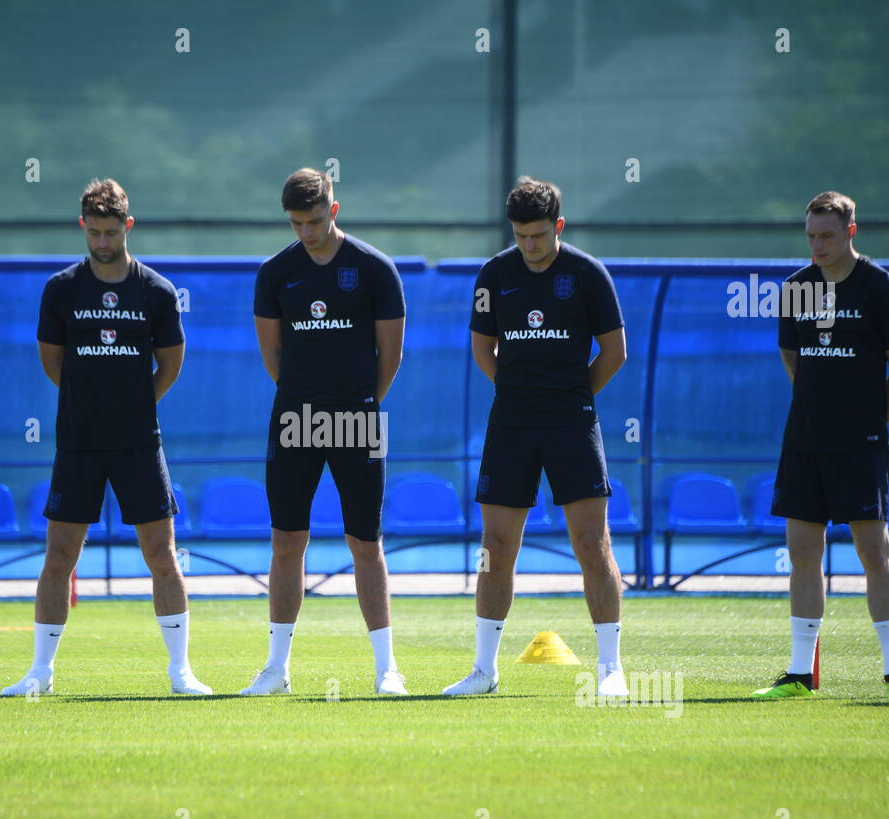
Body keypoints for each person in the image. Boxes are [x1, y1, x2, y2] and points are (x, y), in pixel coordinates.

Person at [0, 178, 210, 697]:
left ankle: (181, 672)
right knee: (59, 556)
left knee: (162, 554)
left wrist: (132, 405)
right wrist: (89, 403)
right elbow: (54, 362)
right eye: (93, 232)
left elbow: (171, 365)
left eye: (110, 232)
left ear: (127, 227)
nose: (101, 242)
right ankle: (40, 673)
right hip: (78, 443)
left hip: (140, 441)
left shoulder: (156, 291)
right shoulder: (62, 289)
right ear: (83, 227)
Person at [443, 177, 629, 698]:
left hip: (573, 423)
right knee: (496, 547)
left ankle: (611, 670)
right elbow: (484, 348)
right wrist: (517, 392)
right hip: (512, 425)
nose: (530, 246)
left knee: (592, 545)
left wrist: (573, 397)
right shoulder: (494, 274)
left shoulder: (588, 274)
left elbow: (614, 353)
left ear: (559, 227)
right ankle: (483, 671)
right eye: (522, 236)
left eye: (540, 236)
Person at [240, 167, 407, 696]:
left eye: (313, 221)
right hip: (293, 418)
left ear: (333, 210)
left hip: (358, 418)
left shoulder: (376, 269)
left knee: (365, 542)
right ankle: (276, 670)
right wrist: (307, 400)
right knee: (287, 540)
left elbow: (391, 355)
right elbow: (273, 356)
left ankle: (386, 671)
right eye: (295, 224)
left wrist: (356, 405)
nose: (305, 233)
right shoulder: (275, 273)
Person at [754, 191, 889, 700]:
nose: (817, 245)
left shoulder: (879, 287)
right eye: (810, 236)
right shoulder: (795, 289)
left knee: (875, 551)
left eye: (826, 235)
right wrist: (818, 411)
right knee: (802, 552)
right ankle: (800, 674)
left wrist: (868, 423)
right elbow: (792, 357)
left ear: (851, 231)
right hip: (804, 443)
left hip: (862, 445)